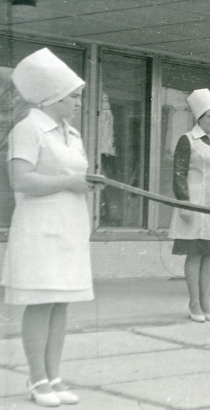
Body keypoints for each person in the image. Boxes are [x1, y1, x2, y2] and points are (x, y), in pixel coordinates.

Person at [1, 48, 96, 407]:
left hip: (69, 229)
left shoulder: (71, 133)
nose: (77, 102)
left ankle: (54, 376)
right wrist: (69, 183)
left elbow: (71, 175)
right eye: (73, 96)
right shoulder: (28, 129)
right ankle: (36, 379)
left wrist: (84, 182)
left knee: (60, 305)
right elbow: (19, 180)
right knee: (40, 304)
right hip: (39, 232)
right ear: (53, 98)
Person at [168, 88, 210, 323]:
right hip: (194, 202)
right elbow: (178, 173)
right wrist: (184, 202)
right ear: (199, 118)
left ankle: (206, 302)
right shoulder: (187, 140)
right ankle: (194, 303)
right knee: (195, 253)